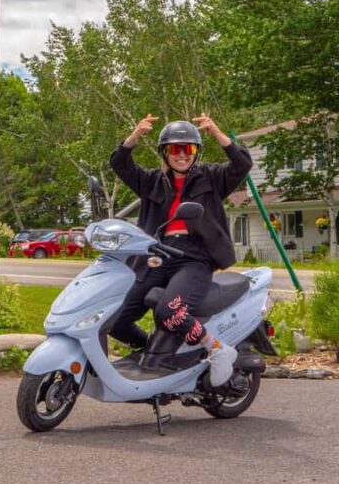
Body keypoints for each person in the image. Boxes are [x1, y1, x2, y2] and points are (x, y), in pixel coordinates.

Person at [108, 114, 253, 387]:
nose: (182, 155)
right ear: (165, 152)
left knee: (169, 311)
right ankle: (152, 353)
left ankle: (218, 349)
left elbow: (243, 163)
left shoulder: (212, 177)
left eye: (189, 149)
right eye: (175, 148)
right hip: (158, 255)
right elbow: (120, 163)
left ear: (196, 153)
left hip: (194, 258)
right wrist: (135, 135)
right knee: (116, 318)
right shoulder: (151, 181)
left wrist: (215, 131)